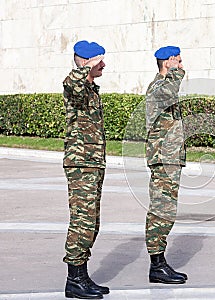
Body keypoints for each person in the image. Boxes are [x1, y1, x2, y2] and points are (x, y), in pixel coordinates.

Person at [62, 40, 109, 299]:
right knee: (82, 221)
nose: (104, 65)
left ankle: (82, 275)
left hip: (92, 164)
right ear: (86, 62)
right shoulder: (74, 86)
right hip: (80, 165)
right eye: (99, 60)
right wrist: (85, 65)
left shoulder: (91, 89)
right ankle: (74, 280)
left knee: (91, 222)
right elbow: (72, 81)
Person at [145, 46, 188, 284]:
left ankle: (159, 263)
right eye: (178, 62)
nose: (182, 66)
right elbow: (172, 88)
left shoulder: (164, 86)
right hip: (163, 159)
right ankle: (157, 265)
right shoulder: (160, 87)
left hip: (169, 159)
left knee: (166, 212)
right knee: (161, 211)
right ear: (168, 63)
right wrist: (174, 72)